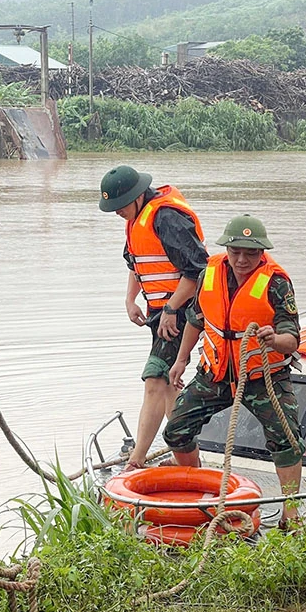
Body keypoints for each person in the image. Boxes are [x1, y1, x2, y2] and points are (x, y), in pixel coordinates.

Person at [163, 215, 305, 528]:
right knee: (176, 430)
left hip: (261, 377)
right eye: (236, 251)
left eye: (250, 253)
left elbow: (292, 339)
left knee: (287, 440)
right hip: (214, 372)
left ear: (262, 253)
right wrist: (181, 359)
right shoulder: (209, 273)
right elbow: (197, 319)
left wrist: (273, 340)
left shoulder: (277, 282)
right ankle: (196, 483)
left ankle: (290, 512)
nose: (242, 259)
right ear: (227, 248)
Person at [98, 165, 208, 470]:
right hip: (159, 312)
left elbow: (198, 270)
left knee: (154, 379)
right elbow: (136, 263)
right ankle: (186, 458)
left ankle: (136, 459)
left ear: (136, 197)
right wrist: (130, 299)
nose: (118, 213)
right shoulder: (136, 220)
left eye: (120, 206)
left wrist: (172, 309)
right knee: (170, 383)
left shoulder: (166, 218)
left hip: (182, 310)